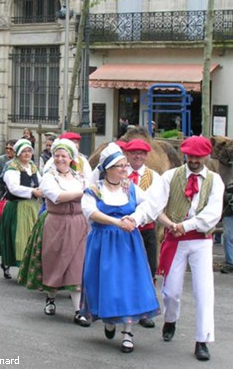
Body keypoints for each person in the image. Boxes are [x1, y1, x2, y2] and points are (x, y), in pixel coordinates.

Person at [150, 136, 224, 361]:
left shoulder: (215, 181)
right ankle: (170, 319)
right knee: (171, 291)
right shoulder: (170, 177)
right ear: (184, 154)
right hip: (175, 240)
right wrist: (170, 224)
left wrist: (186, 225)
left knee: (204, 291)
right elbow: (156, 206)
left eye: (198, 156)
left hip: (201, 240)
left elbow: (212, 215)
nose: (193, 160)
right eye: (190, 155)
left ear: (205, 157)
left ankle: (202, 340)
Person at [80, 142, 160, 353]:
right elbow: (90, 212)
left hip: (128, 243)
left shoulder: (131, 188)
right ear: (108, 169)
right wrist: (117, 223)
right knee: (107, 283)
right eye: (121, 166)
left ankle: (128, 332)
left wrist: (134, 218)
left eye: (126, 165)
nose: (126, 169)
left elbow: (150, 205)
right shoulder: (94, 190)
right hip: (102, 243)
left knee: (129, 283)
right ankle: (109, 319)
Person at [18, 138, 89, 326]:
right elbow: (57, 197)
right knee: (55, 263)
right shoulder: (49, 177)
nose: (59, 159)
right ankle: (50, 297)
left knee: (77, 266)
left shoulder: (79, 177)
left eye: (63, 155)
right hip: (56, 223)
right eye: (56, 155)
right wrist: (82, 193)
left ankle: (78, 311)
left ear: (71, 158)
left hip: (79, 224)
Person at [124, 138, 161, 328]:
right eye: (133, 153)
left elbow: (155, 204)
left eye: (141, 153)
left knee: (149, 269)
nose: (137, 156)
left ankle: (146, 311)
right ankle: (124, 307)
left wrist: (137, 217)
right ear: (127, 155)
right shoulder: (120, 175)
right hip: (122, 231)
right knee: (124, 269)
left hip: (146, 229)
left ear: (146, 156)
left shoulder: (154, 177)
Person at [0, 139, 42, 279]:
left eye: (29, 151)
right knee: (17, 238)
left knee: (32, 238)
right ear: (18, 153)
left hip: (33, 207)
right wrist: (33, 191)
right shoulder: (12, 168)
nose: (27, 154)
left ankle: (29, 267)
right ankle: (9, 263)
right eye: (24, 151)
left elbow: (41, 182)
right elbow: (13, 188)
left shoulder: (33, 167)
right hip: (17, 207)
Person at [221, 182, 233, 274]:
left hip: (228, 213)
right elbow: (223, 198)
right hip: (229, 213)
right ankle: (230, 263)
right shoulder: (229, 185)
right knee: (228, 237)